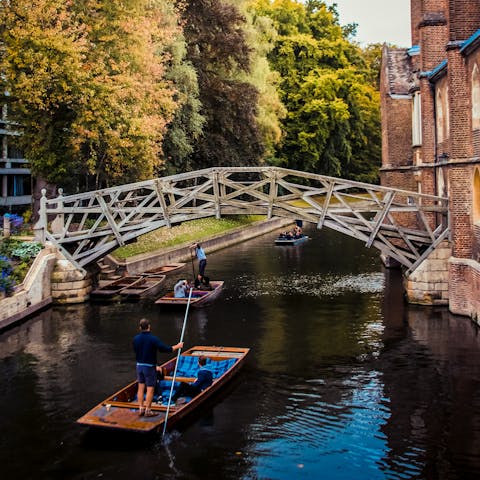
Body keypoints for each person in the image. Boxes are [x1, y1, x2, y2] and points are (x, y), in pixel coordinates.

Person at [133, 318, 183, 417]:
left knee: (141, 387)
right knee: (150, 389)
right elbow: (165, 349)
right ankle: (148, 410)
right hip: (149, 368)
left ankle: (140, 408)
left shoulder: (135, 339)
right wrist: (178, 346)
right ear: (149, 327)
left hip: (139, 366)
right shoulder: (153, 339)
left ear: (140, 328)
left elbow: (138, 352)